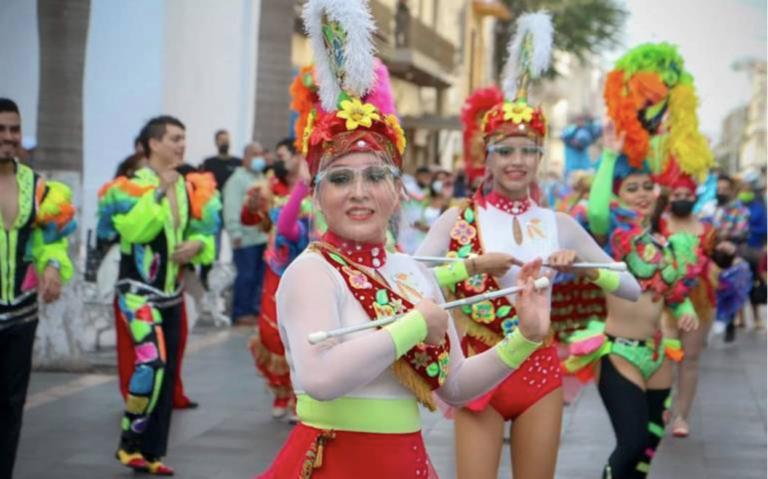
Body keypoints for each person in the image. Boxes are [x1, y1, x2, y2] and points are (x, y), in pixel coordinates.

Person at [259, 4, 549, 476]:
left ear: (397, 190)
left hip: (406, 461)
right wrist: (414, 326)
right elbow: (321, 378)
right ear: (317, 194)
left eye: (375, 176)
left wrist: (524, 338)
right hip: (335, 461)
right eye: (339, 179)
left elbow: (454, 385)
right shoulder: (312, 272)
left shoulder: (411, 272)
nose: (359, 192)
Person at [416, 14, 641, 479]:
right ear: (488, 156)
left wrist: (579, 266)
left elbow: (631, 287)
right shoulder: (459, 219)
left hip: (539, 372)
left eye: (526, 150)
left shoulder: (558, 224)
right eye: (505, 150)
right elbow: (406, 281)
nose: (516, 161)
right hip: (480, 367)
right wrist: (471, 265)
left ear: (540, 156)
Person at [564, 43, 712, 478]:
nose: (644, 194)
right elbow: (594, 212)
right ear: (619, 197)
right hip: (620, 353)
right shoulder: (613, 239)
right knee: (628, 444)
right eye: (633, 189)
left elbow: (671, 292)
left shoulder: (665, 243)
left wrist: (683, 312)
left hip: (656, 353)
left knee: (647, 447)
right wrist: (610, 155)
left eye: (648, 187)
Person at [98, 115, 221, 475]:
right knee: (151, 365)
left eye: (184, 138)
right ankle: (127, 443)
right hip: (137, 294)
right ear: (153, 144)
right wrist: (157, 191)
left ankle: (152, 454)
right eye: (174, 138)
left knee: (166, 379)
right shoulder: (126, 187)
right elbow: (134, 231)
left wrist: (198, 244)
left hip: (172, 295)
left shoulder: (188, 185)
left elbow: (203, 232)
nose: (181, 145)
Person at [0, 98, 77, 479]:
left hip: (21, 314)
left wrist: (50, 266)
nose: (9, 137)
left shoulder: (36, 185)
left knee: (12, 406)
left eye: (14, 129)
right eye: (1, 130)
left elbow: (51, 238)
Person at [245, 138, 307, 419]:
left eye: (284, 155)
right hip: (277, 265)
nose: (280, 160)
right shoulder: (270, 187)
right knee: (271, 331)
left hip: (308, 265)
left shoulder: (320, 185)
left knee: (303, 331)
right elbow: (252, 219)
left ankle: (299, 395)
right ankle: (281, 389)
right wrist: (252, 205)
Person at [656, 170, 718, 438]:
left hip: (699, 299)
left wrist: (724, 257)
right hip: (665, 298)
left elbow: (716, 261)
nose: (682, 199)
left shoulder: (707, 229)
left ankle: (682, 416)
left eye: (687, 195)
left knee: (690, 359)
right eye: (677, 195)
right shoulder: (659, 225)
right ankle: (662, 406)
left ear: (695, 197)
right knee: (666, 354)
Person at [223, 142, 269, 325]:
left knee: (259, 277)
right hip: (244, 238)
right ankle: (241, 312)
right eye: (253, 154)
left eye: (260, 154)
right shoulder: (237, 179)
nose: (258, 158)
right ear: (245, 158)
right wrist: (234, 232)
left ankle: (253, 309)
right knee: (245, 276)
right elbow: (231, 207)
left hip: (262, 237)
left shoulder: (262, 177)